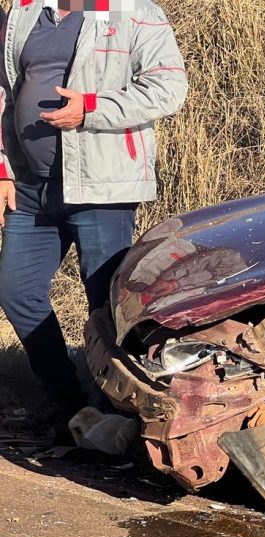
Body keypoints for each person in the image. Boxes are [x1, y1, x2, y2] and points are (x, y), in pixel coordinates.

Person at [0, 0, 187, 433]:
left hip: (101, 186)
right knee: (15, 289)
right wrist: (3, 168)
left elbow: (167, 88)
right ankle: (69, 404)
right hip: (31, 188)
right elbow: (6, 92)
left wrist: (90, 109)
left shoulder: (134, 12)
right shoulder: (27, 12)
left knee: (106, 304)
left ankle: (121, 416)